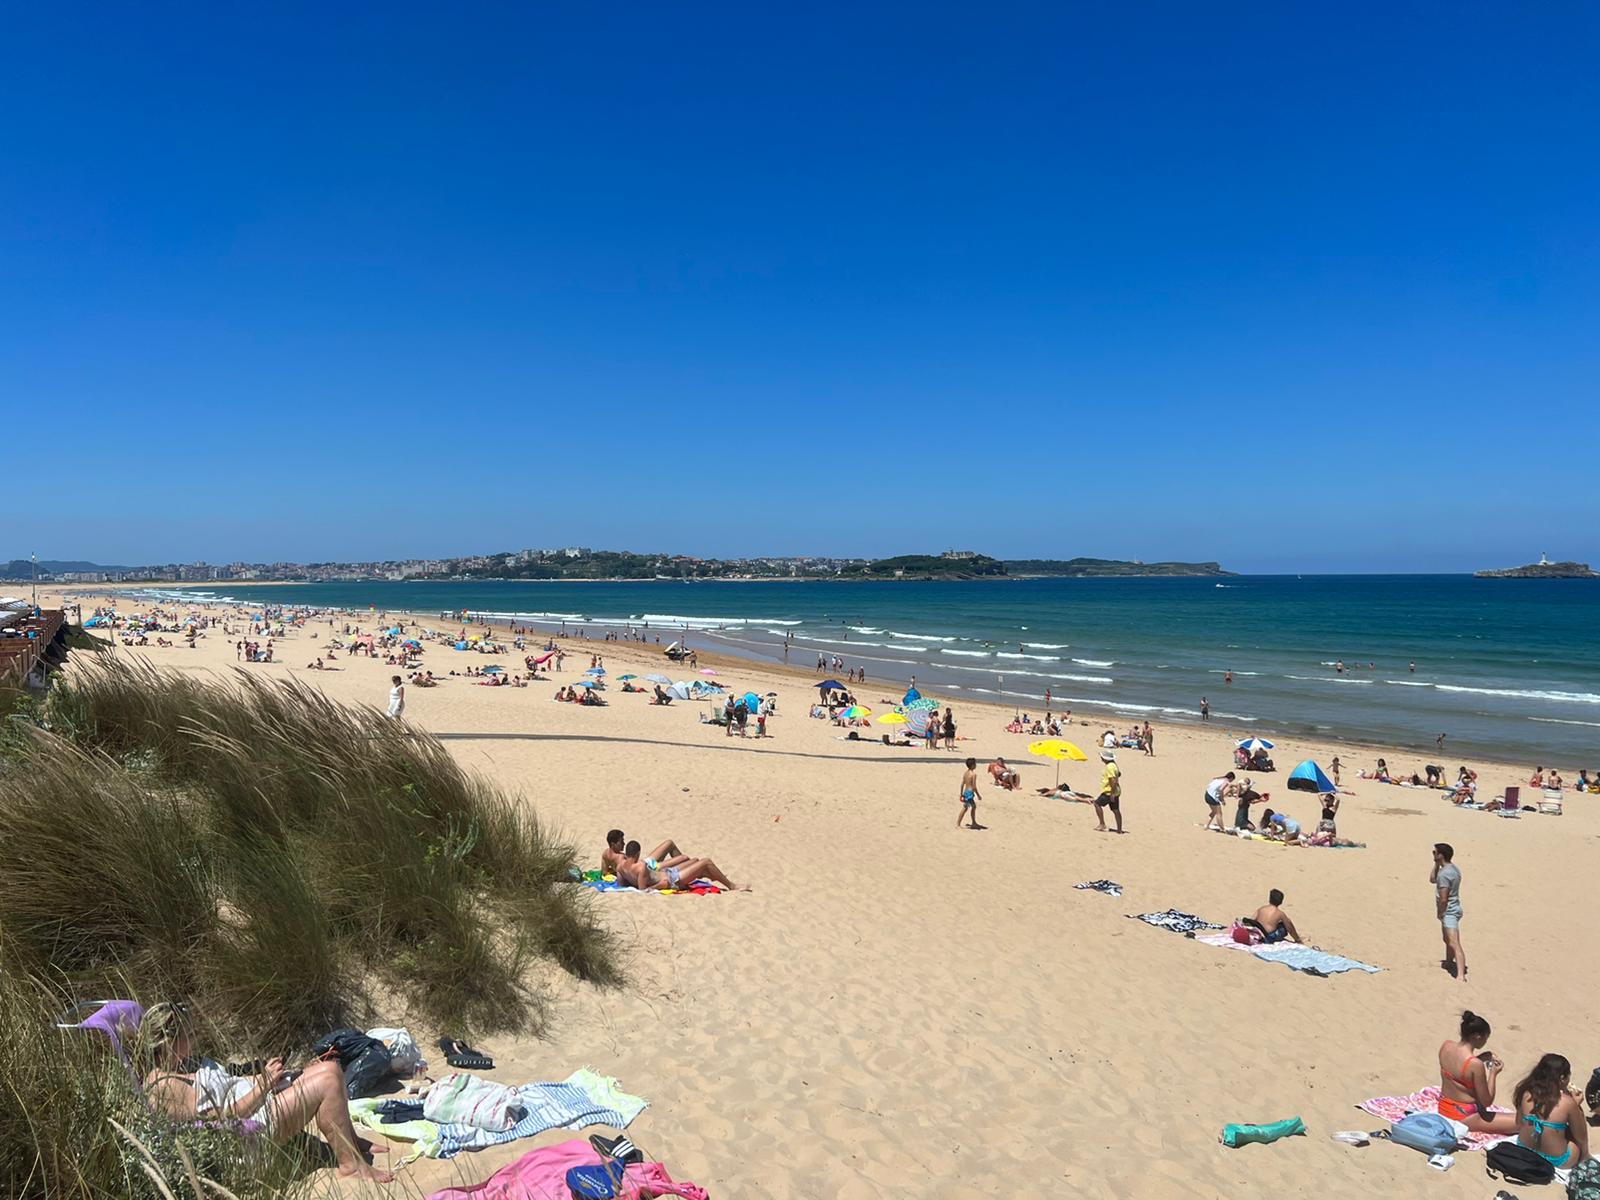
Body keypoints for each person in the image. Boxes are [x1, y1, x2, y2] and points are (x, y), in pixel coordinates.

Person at [140, 1002, 394, 1183]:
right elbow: (221, 1121)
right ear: (167, 1041)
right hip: (245, 1137)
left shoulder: (186, 1062)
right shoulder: (164, 1087)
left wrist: (269, 1077)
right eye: (188, 1034)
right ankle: (351, 1166)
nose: (195, 1037)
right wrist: (263, 1087)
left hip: (258, 1103)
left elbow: (229, 1083)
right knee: (327, 1083)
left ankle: (350, 1141)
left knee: (330, 1068)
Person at [1435, 1010, 1516, 1132]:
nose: (1485, 1041)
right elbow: (1487, 1101)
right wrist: (1493, 1073)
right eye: (1486, 1038)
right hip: (1463, 1116)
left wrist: (1480, 1058)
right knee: (1521, 1123)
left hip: (1444, 1107)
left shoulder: (1446, 1046)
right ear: (1478, 1037)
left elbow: (1459, 1073)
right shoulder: (1475, 1065)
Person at [1511, 1053, 1589, 1170]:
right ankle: (1585, 1156)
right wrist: (1577, 1107)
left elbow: (1518, 1123)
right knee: (1575, 1130)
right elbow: (1581, 1137)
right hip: (1557, 1160)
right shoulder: (1567, 1102)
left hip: (1524, 1148)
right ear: (1562, 1078)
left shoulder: (1525, 1092)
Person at [617, 840, 748, 891]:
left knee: (695, 861)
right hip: (672, 880)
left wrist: (633, 882)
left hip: (667, 873)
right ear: (638, 853)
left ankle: (714, 875)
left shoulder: (620, 866)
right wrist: (660, 885)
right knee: (706, 862)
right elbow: (643, 890)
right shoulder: (641, 867)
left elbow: (621, 884)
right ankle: (732, 886)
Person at [1432, 842, 1466, 980]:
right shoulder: (1452, 869)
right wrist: (1436, 864)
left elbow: (1444, 898)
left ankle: (1460, 974)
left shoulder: (1445, 874)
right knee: (1447, 939)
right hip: (1453, 908)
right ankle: (1448, 962)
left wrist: (1441, 912)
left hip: (1449, 911)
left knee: (1454, 942)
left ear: (1441, 855)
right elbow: (1432, 879)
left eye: (1435, 852)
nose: (1433, 854)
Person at [601, 829, 689, 876]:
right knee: (672, 847)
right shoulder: (620, 858)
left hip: (645, 864)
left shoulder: (606, 853)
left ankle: (687, 866)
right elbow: (629, 872)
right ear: (613, 844)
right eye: (621, 842)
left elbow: (604, 872)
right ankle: (688, 866)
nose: (624, 843)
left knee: (669, 843)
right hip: (649, 867)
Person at [1094, 749, 1123, 833]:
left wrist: (1112, 794)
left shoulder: (1109, 767)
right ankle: (1119, 829)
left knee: (1097, 804)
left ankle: (1102, 824)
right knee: (1116, 810)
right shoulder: (1114, 765)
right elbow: (1119, 774)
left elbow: (1112, 780)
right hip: (1116, 791)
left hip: (1109, 791)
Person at [957, 757, 983, 829]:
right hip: (970, 793)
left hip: (966, 792)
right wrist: (978, 795)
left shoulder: (966, 773)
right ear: (972, 765)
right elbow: (974, 787)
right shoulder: (973, 774)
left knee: (973, 807)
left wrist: (961, 794)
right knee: (965, 808)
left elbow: (962, 784)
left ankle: (973, 822)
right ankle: (958, 824)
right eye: (975, 764)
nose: (976, 765)